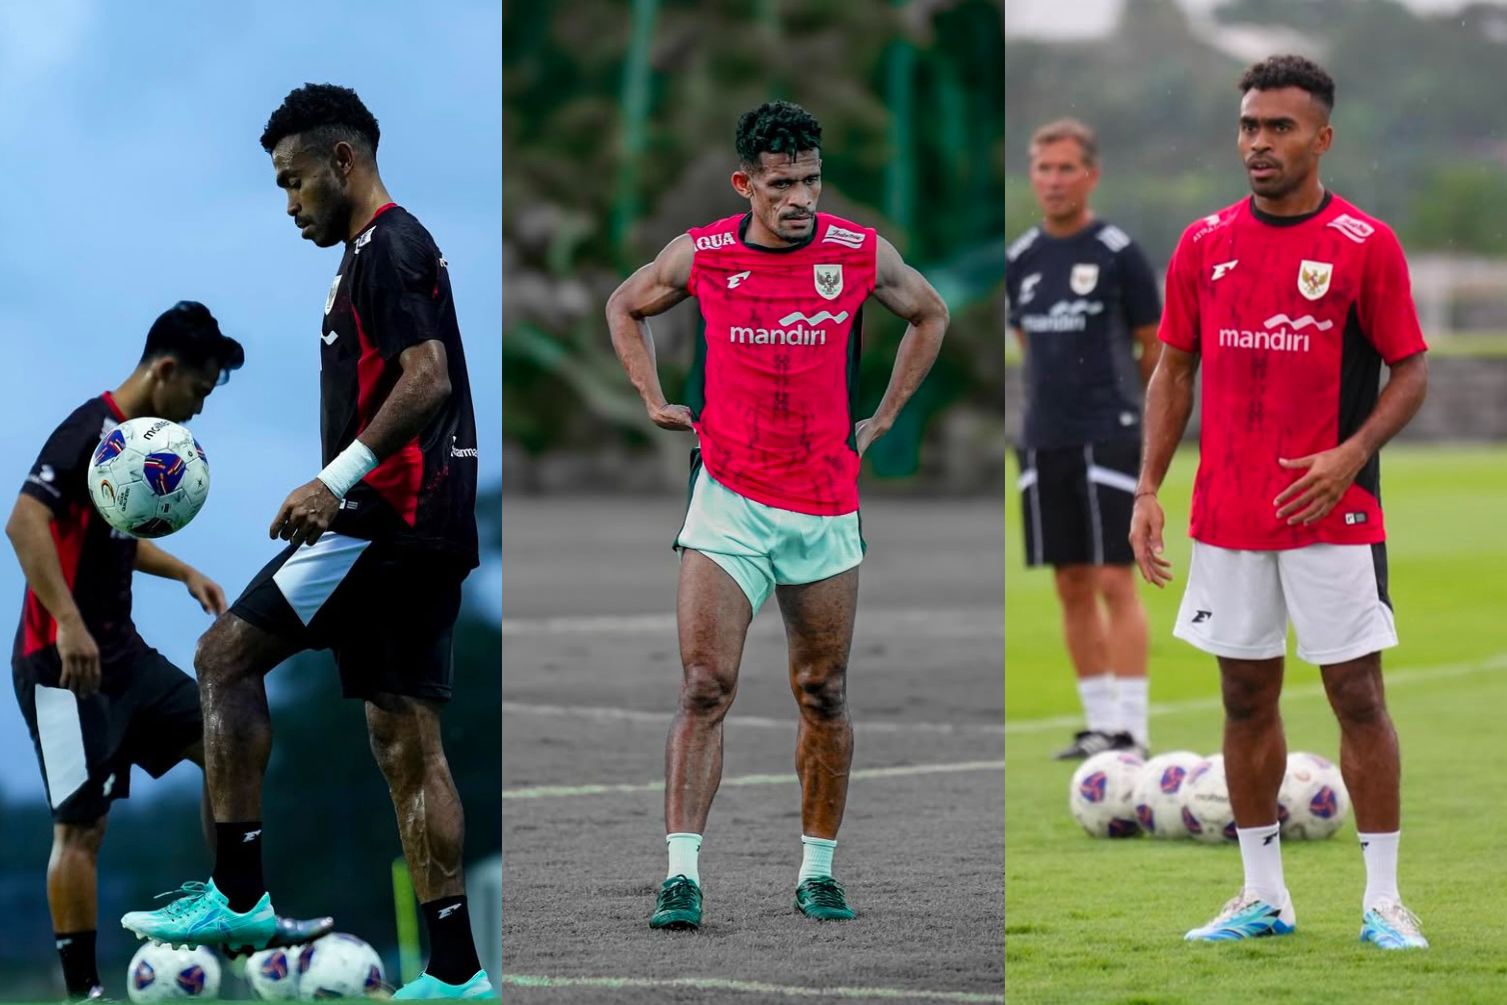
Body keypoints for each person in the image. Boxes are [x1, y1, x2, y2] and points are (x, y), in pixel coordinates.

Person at [120, 85, 493, 997]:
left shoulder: (387, 247)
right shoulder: (376, 254)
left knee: (222, 658)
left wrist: (335, 480)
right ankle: (454, 971)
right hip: (427, 523)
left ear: (341, 161)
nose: (288, 204)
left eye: (292, 182)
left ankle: (239, 892)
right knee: (405, 739)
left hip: (384, 519)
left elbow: (428, 378)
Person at [606, 100, 949, 931]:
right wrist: (651, 397)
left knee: (823, 693)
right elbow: (623, 304)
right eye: (783, 184)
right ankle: (680, 876)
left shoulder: (858, 253)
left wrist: (886, 414)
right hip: (727, 500)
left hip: (825, 506)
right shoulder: (704, 253)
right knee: (703, 685)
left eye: (811, 180)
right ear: (745, 184)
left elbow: (930, 313)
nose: (801, 198)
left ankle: (818, 872)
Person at [1130, 55, 1429, 949]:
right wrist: (1148, 487)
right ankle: (1263, 895)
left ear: (1321, 138)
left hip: (1329, 515)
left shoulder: (1362, 245)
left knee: (1357, 695)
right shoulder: (1202, 242)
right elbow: (1171, 370)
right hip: (1226, 515)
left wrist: (1352, 453)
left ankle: (1382, 901)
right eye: (1248, 127)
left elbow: (1410, 367)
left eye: (1279, 128)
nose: (1258, 143)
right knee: (1243, 696)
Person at [6, 303, 331, 1001]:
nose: (200, 409)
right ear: (165, 370)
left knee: (226, 744)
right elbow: (24, 520)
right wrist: (67, 621)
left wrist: (183, 569)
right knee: (82, 828)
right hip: (60, 666)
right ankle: (83, 989)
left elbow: (112, 533)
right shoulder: (88, 432)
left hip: (124, 658)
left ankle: (237, 908)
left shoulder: (131, 445)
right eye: (200, 392)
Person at [1006, 119, 1160, 760]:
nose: (1055, 180)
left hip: (1110, 432)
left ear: (1090, 175)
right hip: (1044, 438)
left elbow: (1154, 346)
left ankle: (1134, 729)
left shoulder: (1118, 252)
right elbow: (1026, 342)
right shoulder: (1021, 258)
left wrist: (1135, 417)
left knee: (1113, 578)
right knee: (1069, 581)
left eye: (1067, 168)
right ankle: (1099, 723)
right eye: (1044, 168)